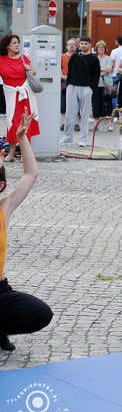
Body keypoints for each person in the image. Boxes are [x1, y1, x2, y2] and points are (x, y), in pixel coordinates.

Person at [0, 114, 52, 351]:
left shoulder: (4, 208)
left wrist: (22, 137)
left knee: (41, 313)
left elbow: (31, 174)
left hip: (0, 290)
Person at [0, 35, 40, 161]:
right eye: (14, 43)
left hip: (24, 94)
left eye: (18, 43)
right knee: (11, 121)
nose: (17, 45)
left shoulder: (23, 58)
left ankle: (24, 153)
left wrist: (28, 69)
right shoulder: (1, 59)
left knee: (25, 121)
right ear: (7, 45)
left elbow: (33, 72)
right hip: (10, 94)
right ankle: (11, 153)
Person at [61, 36, 100, 146]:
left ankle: (83, 139)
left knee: (85, 114)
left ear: (90, 45)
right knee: (70, 113)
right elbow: (70, 71)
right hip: (72, 87)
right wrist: (69, 85)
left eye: (85, 44)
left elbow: (96, 75)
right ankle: (68, 138)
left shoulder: (94, 59)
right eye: (82, 43)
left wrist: (91, 88)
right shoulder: (74, 57)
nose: (83, 45)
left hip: (86, 88)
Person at [93, 40, 114, 122]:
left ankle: (109, 124)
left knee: (108, 104)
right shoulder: (94, 59)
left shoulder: (109, 58)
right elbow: (92, 70)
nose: (101, 49)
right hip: (96, 84)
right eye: (99, 47)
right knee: (96, 104)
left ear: (105, 49)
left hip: (107, 84)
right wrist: (103, 70)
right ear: (96, 49)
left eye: (102, 47)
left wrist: (98, 71)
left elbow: (109, 69)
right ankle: (96, 124)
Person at [108, 36, 122, 117]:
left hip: (115, 74)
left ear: (117, 42)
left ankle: (115, 115)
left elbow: (112, 63)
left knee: (115, 95)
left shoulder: (114, 51)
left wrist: (110, 72)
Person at [60, 37, 76, 126]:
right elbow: (58, 68)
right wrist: (62, 76)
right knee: (63, 103)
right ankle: (64, 122)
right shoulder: (62, 56)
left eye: (73, 44)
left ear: (76, 46)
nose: (72, 46)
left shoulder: (79, 56)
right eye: (70, 44)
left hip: (75, 82)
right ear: (67, 46)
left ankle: (76, 123)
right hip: (64, 81)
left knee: (75, 102)